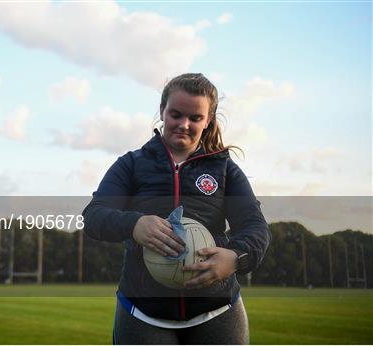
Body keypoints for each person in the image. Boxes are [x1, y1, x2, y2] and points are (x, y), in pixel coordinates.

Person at [82, 73, 271, 344]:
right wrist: (135, 225)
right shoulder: (131, 165)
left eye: (195, 118)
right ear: (162, 111)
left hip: (217, 312)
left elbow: (255, 227)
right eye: (176, 114)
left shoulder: (225, 169)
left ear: (208, 120)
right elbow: (94, 216)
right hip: (143, 314)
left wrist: (235, 257)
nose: (184, 124)